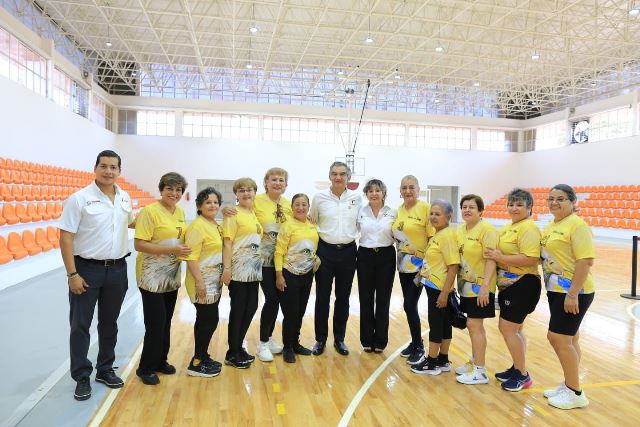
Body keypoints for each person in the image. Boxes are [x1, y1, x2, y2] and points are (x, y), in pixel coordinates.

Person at [59, 150, 134, 401]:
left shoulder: (125, 197)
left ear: (119, 171)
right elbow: (66, 238)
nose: (108, 171)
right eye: (104, 166)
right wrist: (72, 274)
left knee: (109, 323)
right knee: (80, 325)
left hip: (118, 269)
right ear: (95, 168)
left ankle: (105, 369)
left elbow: (131, 223)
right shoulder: (79, 199)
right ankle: (82, 376)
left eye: (113, 167)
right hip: (86, 269)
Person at [540, 184, 595, 410]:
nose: (554, 202)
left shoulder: (577, 225)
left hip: (574, 292)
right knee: (570, 340)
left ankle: (575, 392)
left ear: (573, 202)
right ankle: (569, 384)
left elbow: (585, 261)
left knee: (558, 338)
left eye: (560, 198)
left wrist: (572, 294)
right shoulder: (552, 225)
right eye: (551, 198)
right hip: (556, 290)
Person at [134, 172, 191, 385]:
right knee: (155, 323)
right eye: (170, 188)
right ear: (161, 190)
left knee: (166, 321)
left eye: (178, 190)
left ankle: (160, 361)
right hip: (151, 275)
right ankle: (145, 368)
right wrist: (172, 250)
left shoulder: (180, 212)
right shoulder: (149, 212)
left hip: (171, 275)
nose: (174, 193)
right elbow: (139, 244)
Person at [484, 188, 541, 392]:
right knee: (515, 330)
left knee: (507, 328)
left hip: (523, 284)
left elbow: (531, 258)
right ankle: (517, 367)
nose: (514, 208)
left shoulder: (529, 228)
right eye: (511, 204)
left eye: (519, 205)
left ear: (529, 207)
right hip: (509, 285)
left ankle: (523, 375)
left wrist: (501, 258)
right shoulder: (509, 227)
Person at [309, 161, 361, 356]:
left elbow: (361, 223)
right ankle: (320, 339)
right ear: (329, 176)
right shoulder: (319, 197)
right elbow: (312, 221)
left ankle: (339, 339)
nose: (338, 177)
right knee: (322, 297)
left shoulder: (357, 199)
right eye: (334, 174)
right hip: (324, 251)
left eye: (342, 174)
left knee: (343, 298)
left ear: (348, 177)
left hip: (348, 252)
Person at [411, 200, 460, 376]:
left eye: (437, 214)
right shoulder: (438, 234)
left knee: (436, 324)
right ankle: (443, 359)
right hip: (434, 286)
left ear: (448, 216)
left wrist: (445, 293)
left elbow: (453, 266)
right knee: (444, 323)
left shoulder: (447, 236)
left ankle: (431, 362)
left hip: (440, 288)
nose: (433, 217)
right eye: (431, 213)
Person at [455, 194, 498, 385]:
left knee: (475, 325)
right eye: (464, 207)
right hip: (465, 286)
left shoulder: (487, 230)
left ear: (481, 211)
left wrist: (485, 287)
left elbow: (491, 259)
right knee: (473, 325)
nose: (467, 210)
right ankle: (474, 362)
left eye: (471, 207)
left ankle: (480, 371)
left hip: (480, 287)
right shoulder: (461, 230)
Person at [182, 187, 225, 378]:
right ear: (199, 206)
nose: (213, 205)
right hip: (202, 282)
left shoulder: (214, 224)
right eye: (208, 202)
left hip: (213, 282)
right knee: (209, 321)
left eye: (215, 202)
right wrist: (200, 283)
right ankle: (196, 363)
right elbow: (191, 257)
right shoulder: (197, 226)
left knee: (204, 320)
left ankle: (202, 356)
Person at [391, 175, 434, 365]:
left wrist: (425, 266)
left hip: (420, 269)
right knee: (410, 306)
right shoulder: (399, 210)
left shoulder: (426, 209)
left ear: (418, 189)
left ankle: (419, 346)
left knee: (409, 304)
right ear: (400, 191)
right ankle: (415, 342)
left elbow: (433, 240)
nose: (407, 191)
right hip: (403, 267)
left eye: (411, 187)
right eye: (404, 188)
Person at [222, 178, 263, 369]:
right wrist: (227, 269)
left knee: (251, 307)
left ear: (255, 192)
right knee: (238, 310)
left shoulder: (252, 213)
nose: (246, 193)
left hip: (253, 269)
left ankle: (238, 347)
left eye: (249, 190)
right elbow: (227, 242)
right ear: (236, 194)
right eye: (242, 190)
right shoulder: (233, 214)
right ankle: (232, 352)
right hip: (238, 269)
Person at [274, 193, 319, 363]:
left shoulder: (312, 225)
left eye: (304, 204)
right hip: (289, 274)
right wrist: (279, 275)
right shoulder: (287, 226)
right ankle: (287, 347)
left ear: (308, 207)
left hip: (307, 275)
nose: (300, 208)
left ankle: (295, 343)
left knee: (300, 311)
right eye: (297, 205)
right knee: (291, 313)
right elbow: (279, 252)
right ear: (292, 208)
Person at [356, 179, 397, 353]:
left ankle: (380, 341)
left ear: (383, 193)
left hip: (386, 256)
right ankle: (366, 339)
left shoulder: (393, 212)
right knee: (365, 298)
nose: (374, 194)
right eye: (370, 191)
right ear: (366, 193)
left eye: (377, 190)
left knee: (383, 299)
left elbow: (399, 233)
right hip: (365, 256)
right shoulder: (360, 211)